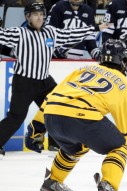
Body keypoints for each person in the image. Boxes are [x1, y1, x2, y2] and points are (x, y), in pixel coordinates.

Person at [26, 39, 127, 191]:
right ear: (124, 61)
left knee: (76, 147)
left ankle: (52, 184)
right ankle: (108, 188)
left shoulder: (83, 70)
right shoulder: (124, 84)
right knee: (122, 146)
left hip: (52, 116)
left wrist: (37, 126)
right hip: (81, 117)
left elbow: (54, 95)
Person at [0, 2, 96, 159]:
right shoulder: (19, 33)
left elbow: (69, 34)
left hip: (44, 81)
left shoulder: (50, 32)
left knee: (57, 110)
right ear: (27, 17)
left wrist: (96, 28)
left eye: (41, 14)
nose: (39, 17)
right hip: (24, 82)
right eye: (35, 14)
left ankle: (54, 144)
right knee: (16, 117)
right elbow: (2, 35)